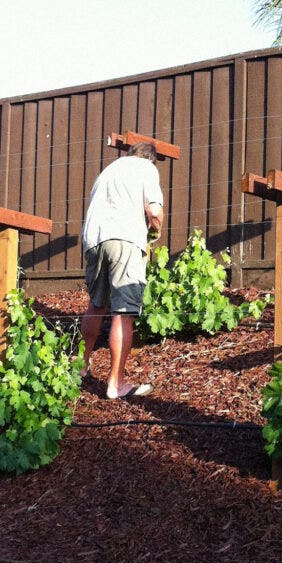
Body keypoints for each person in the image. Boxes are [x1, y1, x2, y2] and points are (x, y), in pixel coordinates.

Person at [80, 141, 164, 399]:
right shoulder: (147, 168)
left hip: (93, 240)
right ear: (150, 158)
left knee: (96, 304)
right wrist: (156, 229)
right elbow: (154, 210)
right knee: (123, 313)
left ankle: (81, 366)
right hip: (124, 239)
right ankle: (116, 384)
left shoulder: (108, 170)